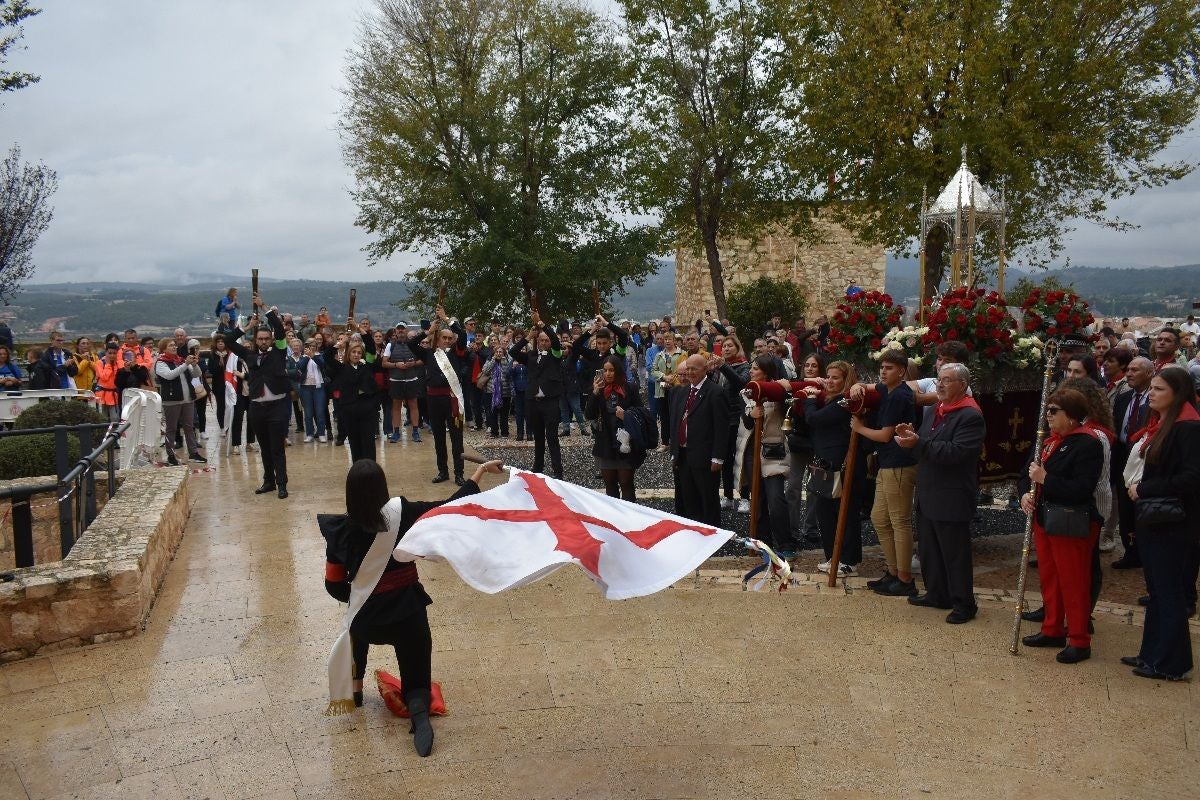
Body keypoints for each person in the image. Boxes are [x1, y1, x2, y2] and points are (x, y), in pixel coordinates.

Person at [320, 457, 506, 754]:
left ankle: (355, 691)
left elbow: (333, 585)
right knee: (416, 667)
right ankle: (419, 711)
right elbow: (448, 508)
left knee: (354, 622)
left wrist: (360, 597)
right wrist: (481, 471)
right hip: (407, 614)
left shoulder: (339, 530)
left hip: (367, 622)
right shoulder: (402, 513)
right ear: (382, 488)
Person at [1123, 367, 1200, 680]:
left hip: (1173, 520)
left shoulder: (1189, 427)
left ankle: (1171, 662)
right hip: (1155, 518)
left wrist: (1144, 488)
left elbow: (1191, 477)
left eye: (1159, 389)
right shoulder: (1162, 424)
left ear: (1177, 393)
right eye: (1151, 388)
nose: (1151, 394)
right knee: (1156, 589)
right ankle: (1151, 653)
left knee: (1169, 591)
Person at [1017, 389, 1104, 663]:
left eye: (1055, 411)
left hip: (1071, 521)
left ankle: (1079, 639)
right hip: (1046, 518)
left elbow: (1081, 488)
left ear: (1073, 415)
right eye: (1048, 410)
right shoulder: (1048, 442)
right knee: (1050, 577)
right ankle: (1052, 627)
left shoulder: (1088, 443)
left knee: (1074, 581)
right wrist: (1025, 494)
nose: (1048, 415)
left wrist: (1045, 479)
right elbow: (1025, 474)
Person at [894, 362, 985, 624]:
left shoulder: (970, 415)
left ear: (963, 385)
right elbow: (924, 444)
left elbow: (956, 452)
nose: (940, 385)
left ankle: (964, 603)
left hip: (952, 493)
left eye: (947, 380)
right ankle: (936, 593)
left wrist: (918, 443)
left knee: (954, 553)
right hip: (929, 490)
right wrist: (909, 439)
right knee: (930, 548)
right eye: (939, 380)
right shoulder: (935, 409)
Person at [850, 351, 919, 595]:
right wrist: (858, 385)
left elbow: (885, 435)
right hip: (888, 463)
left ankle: (905, 579)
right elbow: (873, 385)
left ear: (901, 371)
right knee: (879, 518)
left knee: (900, 521)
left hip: (900, 462)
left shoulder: (899, 396)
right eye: (881, 367)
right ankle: (892, 571)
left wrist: (859, 428)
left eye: (889, 368)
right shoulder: (888, 389)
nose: (883, 371)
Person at [224, 294, 291, 498]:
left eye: (266, 338)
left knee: (277, 448)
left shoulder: (279, 352)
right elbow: (228, 340)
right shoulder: (249, 355)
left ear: (271, 340)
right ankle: (268, 481)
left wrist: (263, 307)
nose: (263, 341)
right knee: (264, 448)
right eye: (260, 339)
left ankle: (281, 483)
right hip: (257, 408)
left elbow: (279, 328)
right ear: (256, 340)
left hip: (277, 406)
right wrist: (246, 326)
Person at [803, 360, 866, 577]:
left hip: (844, 465)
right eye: (828, 377)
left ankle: (848, 561)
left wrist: (810, 399)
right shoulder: (830, 399)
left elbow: (814, 419)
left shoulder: (844, 402)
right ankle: (833, 556)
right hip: (826, 464)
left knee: (845, 514)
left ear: (845, 380)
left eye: (835, 378)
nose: (830, 381)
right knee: (825, 513)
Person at [408, 306, 469, 484]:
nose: (448, 341)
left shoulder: (458, 353)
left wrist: (447, 318)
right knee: (439, 438)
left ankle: (459, 473)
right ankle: (443, 471)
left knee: (457, 438)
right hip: (434, 401)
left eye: (450, 338)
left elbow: (463, 336)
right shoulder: (429, 354)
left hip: (453, 400)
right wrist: (428, 331)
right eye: (444, 337)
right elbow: (412, 344)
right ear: (439, 338)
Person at [670, 354, 732, 527]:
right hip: (683, 454)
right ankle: (693, 530)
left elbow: (721, 428)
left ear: (705, 369)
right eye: (687, 369)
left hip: (705, 456)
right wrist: (674, 452)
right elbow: (675, 423)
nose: (689, 372)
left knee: (707, 497)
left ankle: (712, 532)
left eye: (694, 369)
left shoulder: (715, 392)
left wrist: (718, 457)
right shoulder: (681, 392)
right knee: (688, 496)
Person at [742, 356, 791, 554]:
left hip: (773, 452)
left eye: (755, 368)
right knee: (758, 499)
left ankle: (786, 543)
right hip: (752, 452)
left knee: (776, 498)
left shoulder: (779, 390)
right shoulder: (745, 393)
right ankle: (763, 542)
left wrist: (783, 387)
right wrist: (750, 415)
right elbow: (745, 423)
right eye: (751, 368)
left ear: (767, 371)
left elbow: (789, 408)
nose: (751, 372)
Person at [510, 312, 565, 479]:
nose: (543, 342)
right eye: (541, 340)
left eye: (546, 340)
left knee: (552, 437)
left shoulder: (556, 354)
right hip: (533, 401)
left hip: (550, 401)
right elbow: (513, 351)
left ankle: (557, 470)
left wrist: (541, 324)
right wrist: (527, 337)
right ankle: (538, 466)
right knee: (538, 436)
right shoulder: (531, 356)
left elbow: (555, 342)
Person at [1110, 356, 1154, 569]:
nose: (1129, 373)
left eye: (1135, 370)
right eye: (1128, 369)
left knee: (1140, 506)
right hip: (1122, 457)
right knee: (1125, 507)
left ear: (1149, 373)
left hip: (1143, 458)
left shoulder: (1153, 400)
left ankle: (1145, 551)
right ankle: (1130, 550)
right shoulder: (1124, 398)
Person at [585, 354, 643, 501]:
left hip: (625, 441)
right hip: (605, 442)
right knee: (610, 483)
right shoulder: (599, 389)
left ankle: (630, 515)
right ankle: (614, 517)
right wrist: (595, 392)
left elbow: (642, 412)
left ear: (618, 370)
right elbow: (589, 414)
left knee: (626, 482)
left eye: (611, 370)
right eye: (605, 370)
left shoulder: (629, 388)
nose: (608, 374)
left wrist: (627, 416)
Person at [323, 329, 381, 462]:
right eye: (354, 352)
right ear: (349, 353)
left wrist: (361, 331)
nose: (356, 354)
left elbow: (371, 347)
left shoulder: (367, 366)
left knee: (368, 441)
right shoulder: (342, 368)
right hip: (350, 409)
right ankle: (358, 469)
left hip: (367, 408)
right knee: (354, 442)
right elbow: (326, 356)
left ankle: (371, 469)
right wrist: (340, 343)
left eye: (359, 352)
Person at [154, 338, 206, 465]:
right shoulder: (161, 362)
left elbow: (196, 374)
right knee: (171, 428)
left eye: (174, 345)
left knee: (189, 427)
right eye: (170, 345)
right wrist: (185, 364)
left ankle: (193, 453)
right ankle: (171, 455)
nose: (174, 347)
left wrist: (194, 364)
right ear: (163, 349)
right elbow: (170, 375)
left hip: (188, 399)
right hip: (172, 400)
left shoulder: (180, 360)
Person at [382, 324, 424, 443]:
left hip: (411, 379)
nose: (401, 331)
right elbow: (384, 363)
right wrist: (396, 365)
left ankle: (415, 431)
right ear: (396, 331)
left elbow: (423, 360)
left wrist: (413, 364)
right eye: (398, 329)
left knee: (413, 405)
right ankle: (396, 432)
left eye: (403, 329)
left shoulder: (414, 344)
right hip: (396, 380)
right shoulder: (390, 345)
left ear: (406, 330)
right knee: (396, 407)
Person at [297, 338, 329, 442]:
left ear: (316, 347)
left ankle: (321, 434)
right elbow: (300, 367)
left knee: (320, 411)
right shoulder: (303, 357)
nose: (312, 347)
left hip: (319, 387)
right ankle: (309, 434)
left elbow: (323, 365)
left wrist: (313, 356)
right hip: (305, 387)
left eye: (313, 345)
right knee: (308, 413)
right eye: (309, 346)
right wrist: (307, 357)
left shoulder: (321, 355)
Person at [92, 343, 121, 421]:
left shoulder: (118, 364)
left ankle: (114, 433)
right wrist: (108, 365)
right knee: (102, 418)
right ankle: (102, 433)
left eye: (114, 353)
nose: (112, 355)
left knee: (115, 418)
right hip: (101, 394)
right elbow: (104, 377)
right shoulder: (100, 363)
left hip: (113, 394)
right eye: (110, 353)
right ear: (106, 352)